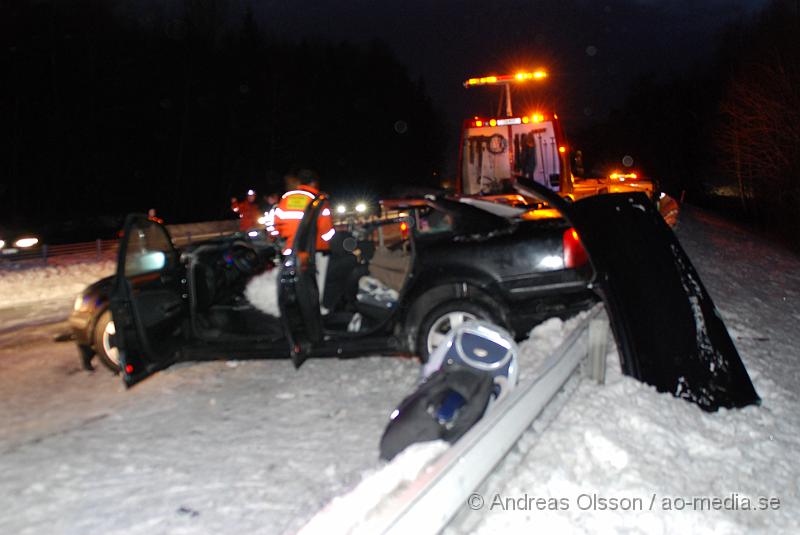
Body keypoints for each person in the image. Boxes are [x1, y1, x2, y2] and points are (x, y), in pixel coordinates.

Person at [273, 169, 334, 253]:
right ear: (314, 183)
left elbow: (277, 225)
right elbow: (327, 232)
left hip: (289, 251)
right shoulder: (319, 201)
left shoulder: (286, 198)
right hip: (314, 252)